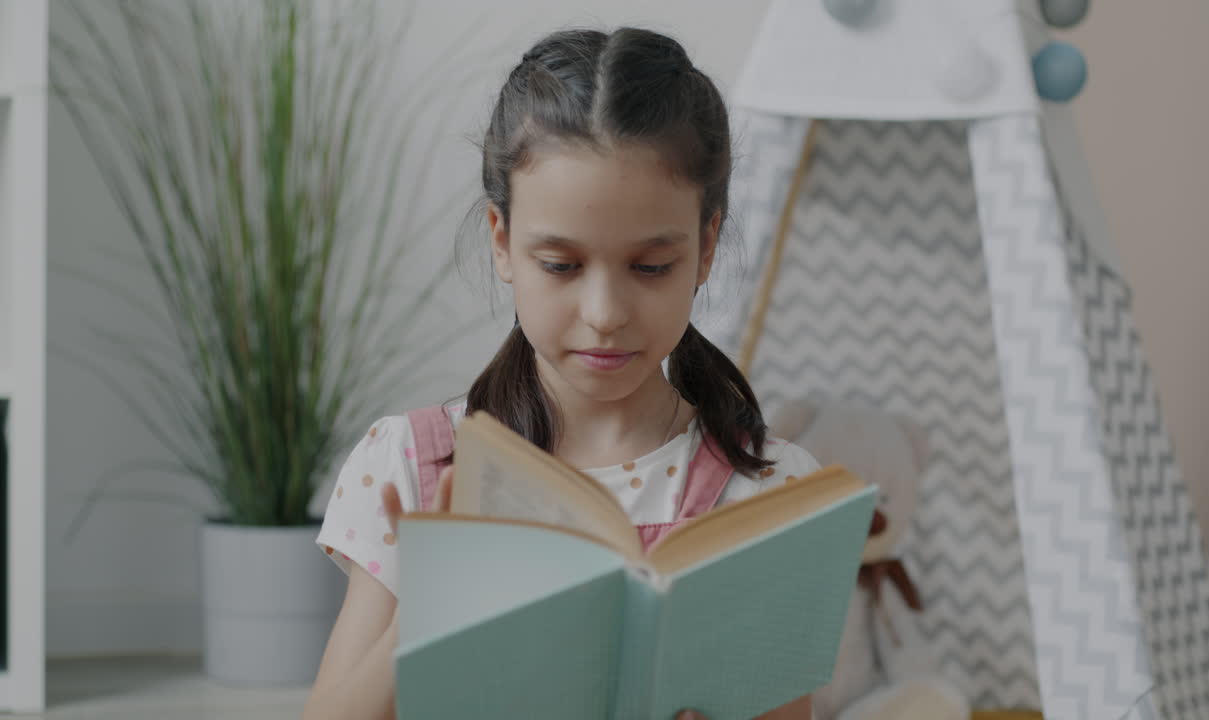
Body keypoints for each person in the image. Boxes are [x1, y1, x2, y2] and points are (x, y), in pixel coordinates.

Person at [303, 26, 825, 720]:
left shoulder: (768, 493)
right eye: (561, 265)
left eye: (650, 267)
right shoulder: (409, 467)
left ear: (705, 247)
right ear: (502, 242)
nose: (604, 314)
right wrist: (421, 618)